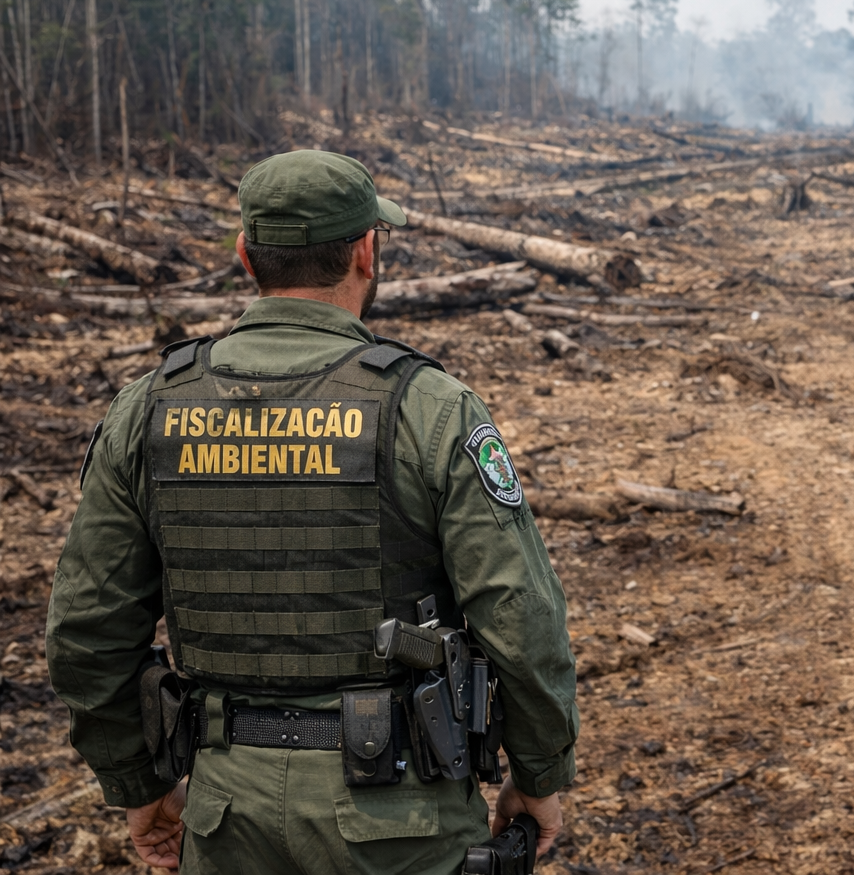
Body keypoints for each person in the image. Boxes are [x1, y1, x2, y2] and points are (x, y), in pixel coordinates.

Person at [46, 150, 578, 873]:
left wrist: (138, 787)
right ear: (365, 250)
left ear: (244, 256)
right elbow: (520, 617)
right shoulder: (427, 408)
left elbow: (86, 629)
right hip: (402, 818)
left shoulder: (148, 411)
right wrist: (540, 776)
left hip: (225, 812)